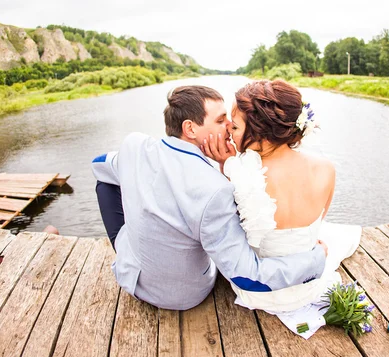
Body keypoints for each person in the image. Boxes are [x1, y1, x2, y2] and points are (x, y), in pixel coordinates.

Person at [92, 85, 328, 311]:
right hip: (182, 297)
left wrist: (128, 226)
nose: (229, 126)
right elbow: (250, 277)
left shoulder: (136, 146)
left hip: (127, 271)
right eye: (220, 120)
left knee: (106, 182)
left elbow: (99, 166)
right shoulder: (214, 190)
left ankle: (124, 246)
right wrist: (315, 259)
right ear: (191, 129)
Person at [202, 80, 361, 327]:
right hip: (307, 286)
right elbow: (318, 222)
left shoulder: (242, 173)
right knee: (333, 237)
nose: (229, 133)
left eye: (235, 126)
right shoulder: (326, 169)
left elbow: (235, 233)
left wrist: (226, 166)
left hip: (259, 290)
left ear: (261, 132)